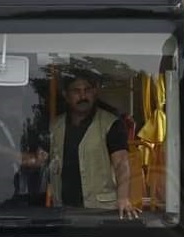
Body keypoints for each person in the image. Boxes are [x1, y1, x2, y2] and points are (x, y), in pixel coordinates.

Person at [48, 70, 138, 218]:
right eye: (76, 91)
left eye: (87, 90)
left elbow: (121, 163)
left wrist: (123, 198)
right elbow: (43, 160)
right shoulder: (55, 126)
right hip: (63, 211)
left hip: (100, 211)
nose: (83, 96)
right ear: (66, 94)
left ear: (95, 92)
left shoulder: (111, 124)